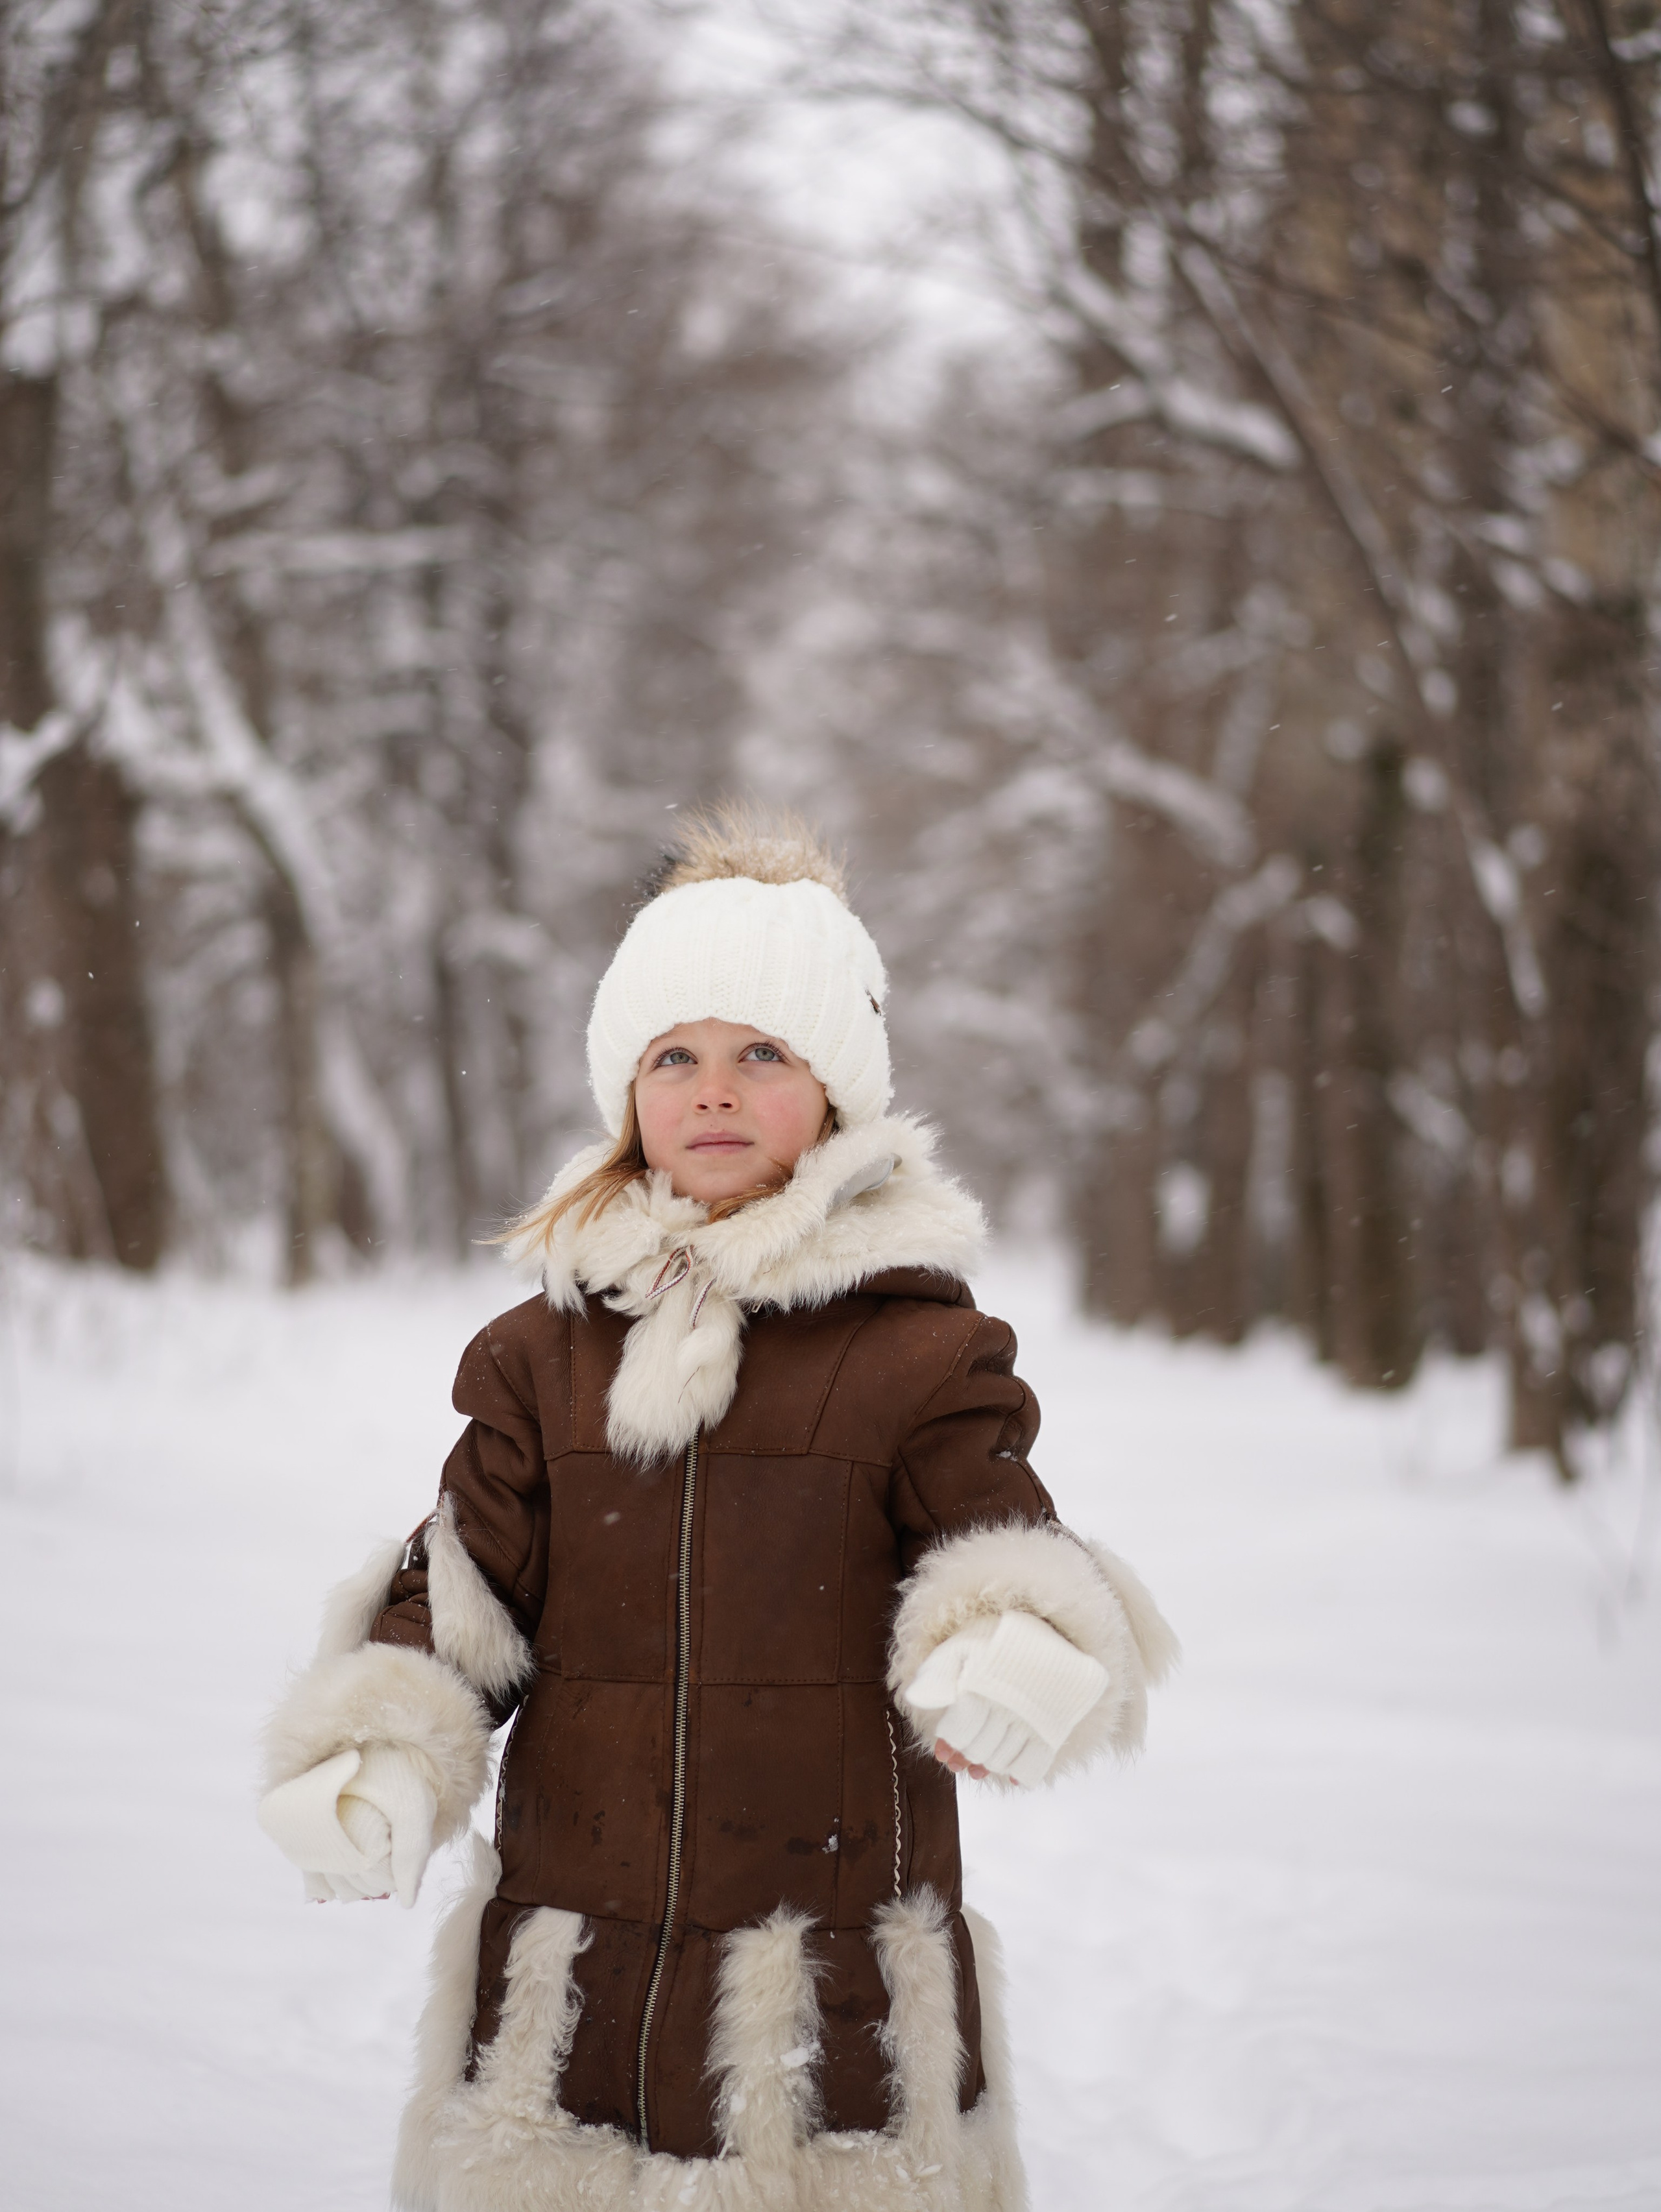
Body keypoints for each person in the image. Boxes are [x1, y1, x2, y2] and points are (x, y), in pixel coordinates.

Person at [258, 811, 1176, 2212]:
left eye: (763, 1052)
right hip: (580, 1972)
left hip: (824, 1991)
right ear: (626, 1092)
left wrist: (1016, 1644)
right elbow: (466, 1587)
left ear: (836, 1092)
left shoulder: (918, 1351)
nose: (714, 1091)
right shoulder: (541, 1354)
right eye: (671, 1056)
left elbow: (999, 1540)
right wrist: (384, 1744)